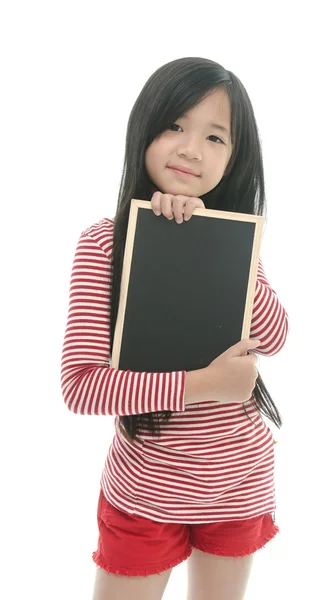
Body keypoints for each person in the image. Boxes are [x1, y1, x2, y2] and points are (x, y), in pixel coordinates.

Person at [61, 56, 289, 600]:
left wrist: (216, 246)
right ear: (145, 129)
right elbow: (81, 386)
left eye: (216, 137)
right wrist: (202, 385)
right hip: (144, 493)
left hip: (239, 484)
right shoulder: (104, 244)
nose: (191, 148)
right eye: (175, 126)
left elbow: (275, 337)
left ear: (235, 159)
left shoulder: (233, 241)